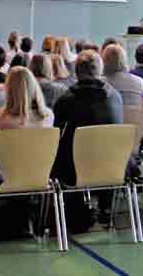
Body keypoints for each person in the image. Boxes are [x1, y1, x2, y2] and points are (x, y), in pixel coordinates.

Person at [52, 50, 124, 187]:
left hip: (73, 168)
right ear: (100, 70)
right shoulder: (115, 97)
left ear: (77, 72)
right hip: (112, 163)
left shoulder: (66, 100)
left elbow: (56, 136)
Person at [0, 67, 54, 148]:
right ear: (34, 86)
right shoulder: (49, 116)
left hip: (9, 160)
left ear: (9, 90)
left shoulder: (2, 118)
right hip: (40, 160)